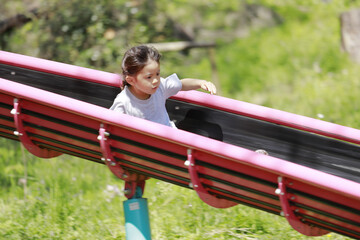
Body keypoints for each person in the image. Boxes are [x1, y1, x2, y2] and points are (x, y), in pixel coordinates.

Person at [110, 45, 217, 128]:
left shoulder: (160, 86)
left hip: (169, 139)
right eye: (149, 77)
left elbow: (181, 84)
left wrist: (200, 83)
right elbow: (112, 124)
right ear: (131, 80)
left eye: (157, 74)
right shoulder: (123, 102)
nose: (156, 80)